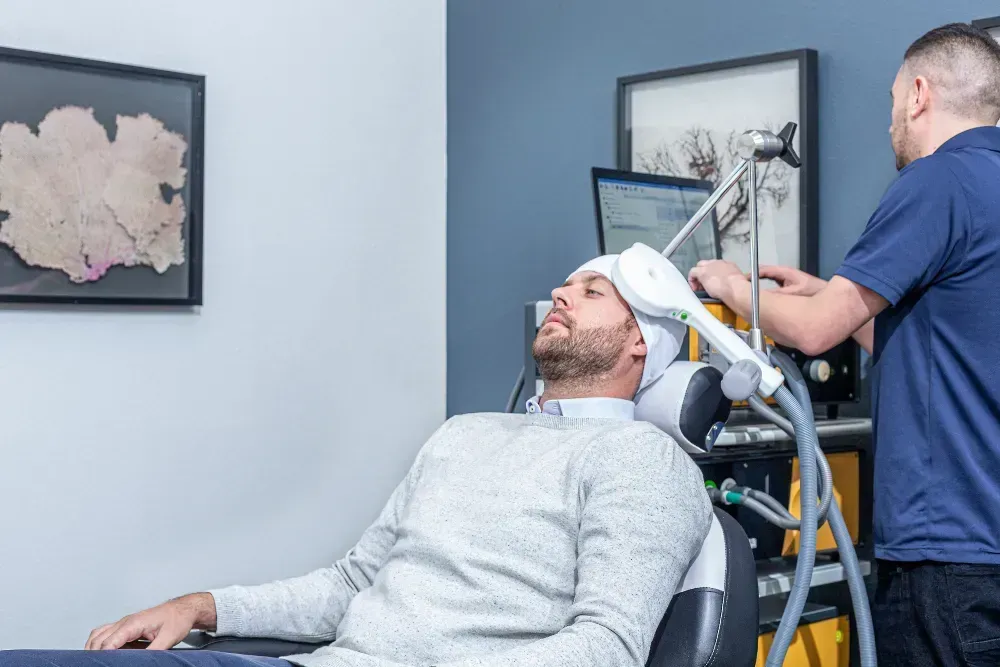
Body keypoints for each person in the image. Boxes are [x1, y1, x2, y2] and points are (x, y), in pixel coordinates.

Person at [1, 256, 712, 667]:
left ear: (640, 342)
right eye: (566, 284)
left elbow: (605, 647)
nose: (561, 293)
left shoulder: (640, 460)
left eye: (592, 293)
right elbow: (351, 585)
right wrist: (203, 605)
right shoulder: (463, 434)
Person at [688, 22, 1000, 667]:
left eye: (891, 102)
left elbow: (813, 333)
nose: (891, 121)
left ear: (918, 94)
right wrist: (826, 291)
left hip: (947, 549)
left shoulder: (938, 181)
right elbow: (952, 339)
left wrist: (728, 283)